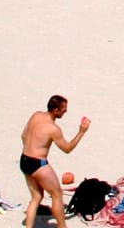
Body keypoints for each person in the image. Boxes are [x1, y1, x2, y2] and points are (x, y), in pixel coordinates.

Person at [19, 95, 89, 228]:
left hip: (24, 160)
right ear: (56, 110)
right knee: (57, 194)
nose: (65, 112)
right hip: (38, 164)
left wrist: (32, 149)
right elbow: (67, 149)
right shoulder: (53, 129)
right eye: (64, 109)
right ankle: (62, 227)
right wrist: (81, 132)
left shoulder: (36, 115)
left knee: (36, 197)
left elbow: (23, 135)